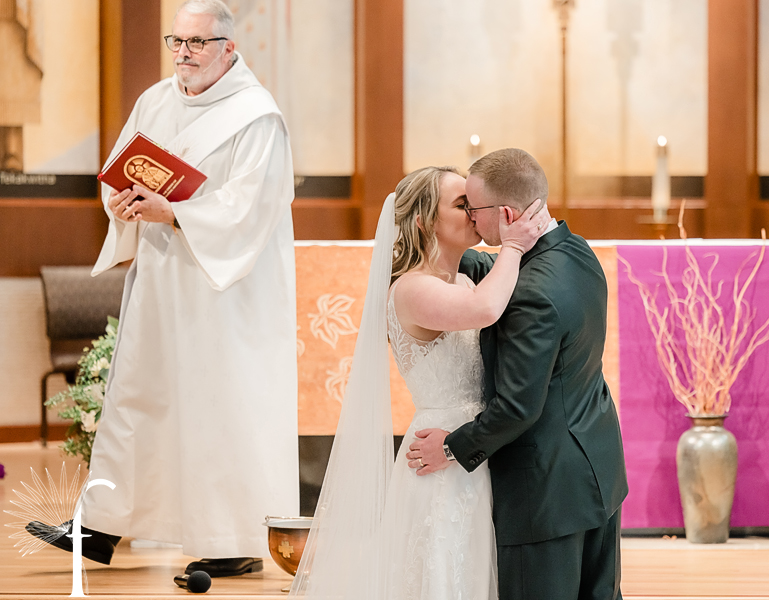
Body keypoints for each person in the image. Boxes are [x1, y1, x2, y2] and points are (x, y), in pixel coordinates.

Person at [27, 0, 298, 580]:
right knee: (136, 397)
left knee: (215, 406)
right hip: (160, 278)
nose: (184, 54)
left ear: (230, 47)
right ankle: (98, 527)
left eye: (197, 43)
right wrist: (122, 204)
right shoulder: (154, 100)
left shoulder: (257, 118)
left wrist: (174, 213)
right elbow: (119, 172)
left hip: (223, 293)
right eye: (177, 42)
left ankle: (231, 539)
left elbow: (250, 209)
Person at [289, 166, 550, 599]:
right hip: (439, 457)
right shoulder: (411, 289)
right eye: (461, 204)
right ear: (424, 220)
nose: (473, 213)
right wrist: (516, 245)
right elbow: (485, 310)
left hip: (471, 447)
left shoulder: (464, 279)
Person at [409, 148, 629, 600]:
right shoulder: (575, 250)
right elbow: (501, 271)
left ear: (506, 213)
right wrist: (446, 258)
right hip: (597, 469)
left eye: (473, 208)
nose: (470, 216)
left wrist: (450, 448)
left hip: (544, 490)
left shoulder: (530, 297)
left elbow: (517, 406)